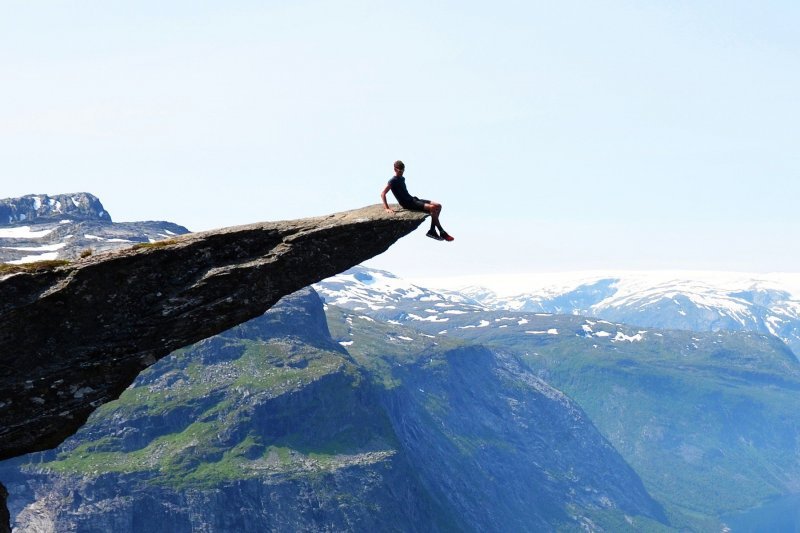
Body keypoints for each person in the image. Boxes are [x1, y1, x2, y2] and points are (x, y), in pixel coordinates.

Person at [380, 160, 454, 241]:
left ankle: (432, 230)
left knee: (438, 206)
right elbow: (383, 193)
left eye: (403, 170)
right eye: (400, 171)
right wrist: (387, 208)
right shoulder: (392, 181)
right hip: (408, 203)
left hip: (413, 199)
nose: (402, 172)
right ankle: (441, 231)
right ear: (395, 169)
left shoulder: (402, 178)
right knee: (432, 208)